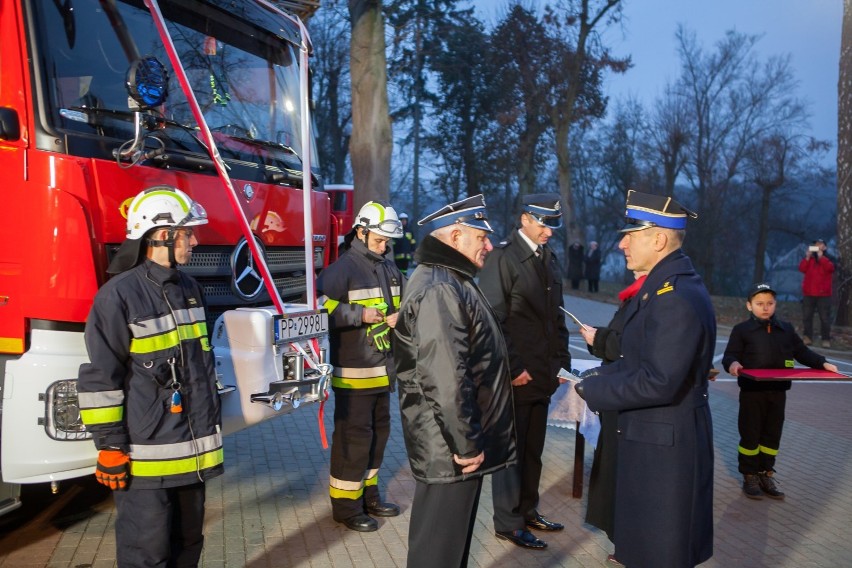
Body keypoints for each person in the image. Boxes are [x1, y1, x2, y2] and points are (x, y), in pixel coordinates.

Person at [77, 186, 224, 567]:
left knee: (189, 543)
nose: (195, 239)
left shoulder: (189, 288)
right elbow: (100, 378)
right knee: (147, 554)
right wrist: (109, 445)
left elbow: (199, 369)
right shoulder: (117, 296)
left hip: (191, 457)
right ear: (161, 235)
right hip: (144, 462)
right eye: (187, 232)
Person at [574, 189, 715, 568]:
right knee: (645, 550)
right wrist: (598, 372)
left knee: (661, 552)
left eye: (630, 235)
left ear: (658, 238)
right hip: (652, 442)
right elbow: (636, 356)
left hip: (665, 451)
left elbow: (659, 380)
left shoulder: (674, 295)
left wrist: (594, 388)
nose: (621, 244)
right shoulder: (661, 287)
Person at [393, 195, 517, 568]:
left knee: (447, 548)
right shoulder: (441, 287)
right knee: (438, 553)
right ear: (457, 235)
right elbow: (446, 377)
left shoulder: (450, 279)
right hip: (450, 449)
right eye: (482, 236)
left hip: (451, 446)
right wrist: (464, 444)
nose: (489, 245)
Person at [479, 193, 570, 548]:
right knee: (510, 451)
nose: (550, 232)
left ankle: (528, 509)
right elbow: (493, 320)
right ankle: (508, 520)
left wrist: (563, 362)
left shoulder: (548, 258)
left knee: (533, 449)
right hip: (516, 376)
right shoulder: (503, 258)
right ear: (526, 219)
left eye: (553, 225)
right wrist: (514, 367)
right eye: (545, 224)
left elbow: (556, 316)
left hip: (542, 374)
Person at [316, 201, 405, 532]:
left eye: (387, 242)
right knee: (353, 442)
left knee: (377, 438)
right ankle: (345, 507)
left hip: (382, 374)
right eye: (380, 240)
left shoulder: (388, 269)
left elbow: (408, 300)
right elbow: (318, 309)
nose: (384, 247)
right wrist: (359, 315)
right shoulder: (342, 270)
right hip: (354, 378)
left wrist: (403, 316)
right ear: (362, 232)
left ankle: (369, 497)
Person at [722, 282, 838, 500]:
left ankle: (766, 473)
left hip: (778, 392)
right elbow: (730, 355)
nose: (765, 307)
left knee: (772, 436)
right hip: (752, 393)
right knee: (750, 435)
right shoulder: (742, 330)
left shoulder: (785, 329)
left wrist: (822, 363)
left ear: (775, 304)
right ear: (749, 306)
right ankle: (749, 475)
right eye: (759, 304)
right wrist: (733, 365)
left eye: (770, 303)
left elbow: (802, 352)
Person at [578, 270, 647, 547]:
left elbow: (632, 347)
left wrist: (600, 340)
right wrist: (598, 338)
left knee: (622, 473)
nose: (624, 248)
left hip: (627, 397)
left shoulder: (649, 297)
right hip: (617, 392)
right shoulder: (634, 295)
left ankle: (626, 540)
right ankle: (620, 537)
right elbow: (620, 340)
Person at [799, 238, 835, 348]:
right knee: (807, 317)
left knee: (824, 318)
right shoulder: (810, 259)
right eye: (816, 245)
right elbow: (801, 268)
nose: (817, 246)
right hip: (809, 293)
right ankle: (807, 337)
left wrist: (821, 257)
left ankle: (826, 339)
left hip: (823, 295)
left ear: (825, 247)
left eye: (820, 244)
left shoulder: (829, 258)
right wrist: (807, 257)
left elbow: (831, 268)